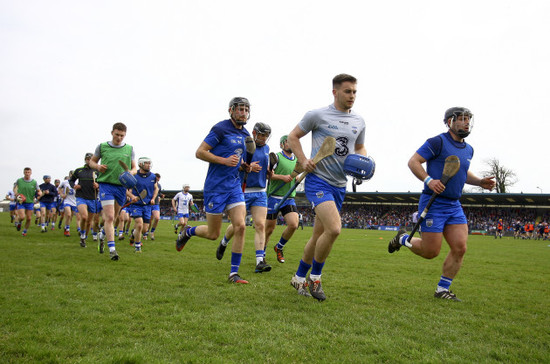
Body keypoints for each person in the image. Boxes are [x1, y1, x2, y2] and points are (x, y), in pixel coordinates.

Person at [388, 106, 495, 301]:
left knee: (460, 247)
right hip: (434, 202)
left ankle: (442, 290)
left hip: (454, 205)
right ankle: (403, 238)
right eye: (461, 119)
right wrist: (430, 180)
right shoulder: (437, 142)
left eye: (467, 119)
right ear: (449, 122)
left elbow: (460, 173)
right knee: (431, 252)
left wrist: (479, 182)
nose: (466, 122)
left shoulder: (469, 149)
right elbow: (414, 162)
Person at [287, 74, 367, 301]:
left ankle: (299, 278)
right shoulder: (317, 115)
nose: (352, 96)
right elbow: (293, 137)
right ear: (335, 92)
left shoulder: (359, 121)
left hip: (340, 185)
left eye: (354, 92)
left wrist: (363, 160)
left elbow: (360, 147)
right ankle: (316, 278)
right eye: (347, 91)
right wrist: (303, 160)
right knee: (334, 229)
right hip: (318, 181)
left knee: (318, 236)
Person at [176, 97, 251, 284]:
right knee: (213, 234)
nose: (243, 113)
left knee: (241, 225)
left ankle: (234, 274)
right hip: (215, 187)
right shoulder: (220, 129)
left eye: (246, 109)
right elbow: (200, 152)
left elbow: (238, 160)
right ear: (231, 111)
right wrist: (224, 161)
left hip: (233, 186)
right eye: (240, 109)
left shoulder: (246, 135)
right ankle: (188, 232)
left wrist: (244, 166)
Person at [216, 122, 272, 273]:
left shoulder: (267, 148)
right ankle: (224, 241)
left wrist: (268, 173)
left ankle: (260, 261)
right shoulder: (245, 144)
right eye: (261, 135)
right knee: (238, 225)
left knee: (260, 225)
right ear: (254, 133)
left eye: (266, 136)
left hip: (260, 191)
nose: (263, 138)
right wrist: (245, 166)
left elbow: (265, 167)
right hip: (242, 190)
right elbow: (237, 164)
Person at [89, 122, 136, 261]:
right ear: (112, 133)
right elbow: (91, 162)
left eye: (122, 135)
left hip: (121, 187)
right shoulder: (102, 146)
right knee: (109, 217)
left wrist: (130, 173)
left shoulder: (130, 149)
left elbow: (134, 168)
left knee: (115, 218)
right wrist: (97, 167)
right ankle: (112, 250)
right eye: (117, 135)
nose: (119, 138)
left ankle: (102, 235)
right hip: (106, 185)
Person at [264, 135, 300, 264]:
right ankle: (261, 255)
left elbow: (296, 176)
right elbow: (268, 176)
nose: (289, 143)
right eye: (287, 141)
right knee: (269, 230)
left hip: (289, 197)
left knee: (294, 224)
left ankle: (279, 247)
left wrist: (297, 179)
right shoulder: (276, 157)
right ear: (282, 144)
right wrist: (282, 177)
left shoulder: (297, 160)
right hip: (274, 197)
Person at [127, 157, 158, 253]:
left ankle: (133, 233)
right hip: (136, 205)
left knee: (144, 229)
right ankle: (137, 247)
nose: (149, 165)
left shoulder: (153, 177)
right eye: (146, 163)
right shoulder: (134, 175)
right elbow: (126, 190)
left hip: (147, 205)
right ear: (140, 164)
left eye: (149, 163)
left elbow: (156, 188)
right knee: (139, 224)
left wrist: (153, 198)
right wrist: (132, 196)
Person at [71, 153, 100, 249]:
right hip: (81, 197)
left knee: (89, 222)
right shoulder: (79, 170)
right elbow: (71, 180)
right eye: (87, 159)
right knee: (84, 216)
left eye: (91, 159)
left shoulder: (97, 171)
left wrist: (98, 185)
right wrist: (74, 186)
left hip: (92, 198)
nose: (89, 160)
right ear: (85, 160)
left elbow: (103, 183)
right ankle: (82, 235)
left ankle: (83, 237)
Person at [14, 167, 42, 236]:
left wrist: (40, 193)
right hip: (21, 202)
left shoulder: (34, 182)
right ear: (24, 173)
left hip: (30, 202)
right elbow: (15, 188)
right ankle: (19, 223)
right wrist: (16, 194)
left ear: (31, 173)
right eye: (26, 172)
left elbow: (39, 190)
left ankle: (24, 231)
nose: (27, 174)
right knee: (22, 217)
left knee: (29, 218)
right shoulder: (19, 180)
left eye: (28, 172)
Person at [59, 173, 79, 239]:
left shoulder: (77, 182)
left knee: (70, 217)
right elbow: (59, 188)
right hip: (67, 201)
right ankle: (67, 230)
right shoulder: (65, 182)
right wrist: (62, 195)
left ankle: (66, 226)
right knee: (68, 215)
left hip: (74, 202)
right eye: (71, 174)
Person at [148, 173, 164, 240]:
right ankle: (145, 232)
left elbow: (158, 193)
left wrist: (161, 195)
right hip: (148, 203)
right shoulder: (148, 183)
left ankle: (152, 232)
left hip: (156, 203)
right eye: (157, 177)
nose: (158, 179)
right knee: (149, 220)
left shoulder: (159, 185)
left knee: (157, 218)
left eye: (159, 178)